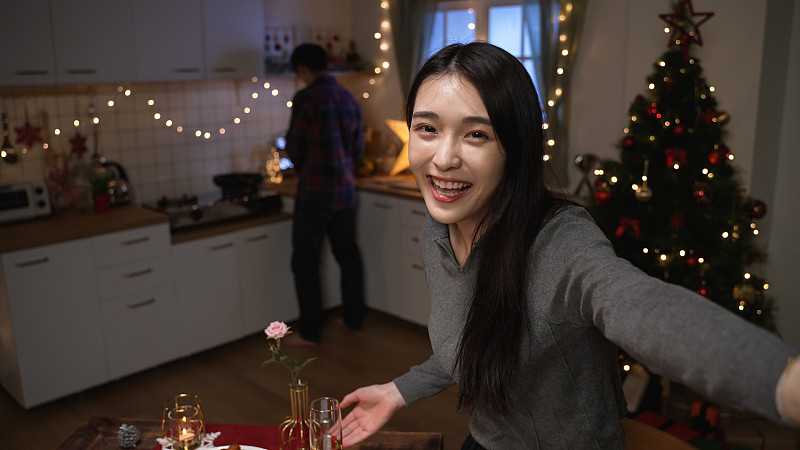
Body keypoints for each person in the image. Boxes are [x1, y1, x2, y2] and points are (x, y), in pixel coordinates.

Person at [338, 42, 800, 448]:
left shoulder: (560, 242)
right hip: (486, 441)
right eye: (427, 128)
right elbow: (471, 341)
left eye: (476, 134)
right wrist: (399, 391)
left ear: (514, 149)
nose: (443, 158)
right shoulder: (436, 235)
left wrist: (782, 381)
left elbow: (639, 306)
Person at [284, 43, 365, 345]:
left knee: (305, 261)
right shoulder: (347, 97)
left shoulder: (306, 99)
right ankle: (353, 318)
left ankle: (309, 332)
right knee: (348, 256)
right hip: (345, 193)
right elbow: (358, 147)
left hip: (316, 194)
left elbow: (294, 147)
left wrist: (304, 165)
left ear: (303, 68)